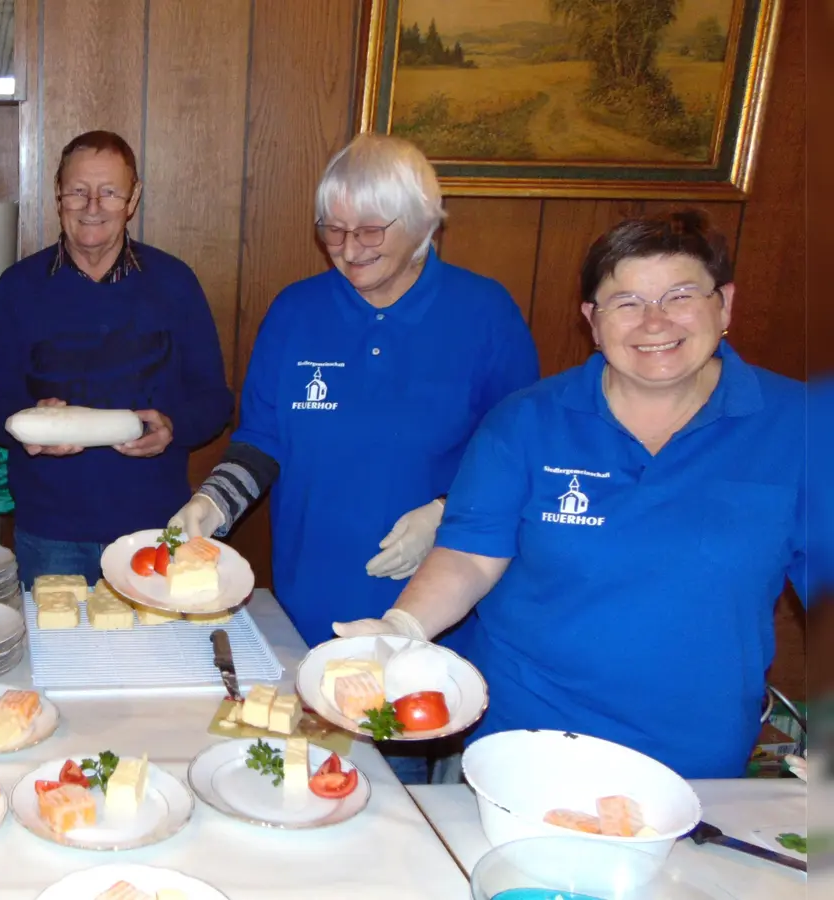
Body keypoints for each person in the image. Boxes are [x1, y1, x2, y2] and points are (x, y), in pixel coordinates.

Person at [334, 210, 808, 780]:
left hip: (696, 764)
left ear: (724, 304)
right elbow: (469, 556)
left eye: (680, 296)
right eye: (627, 302)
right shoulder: (526, 421)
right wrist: (402, 629)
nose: (655, 322)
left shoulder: (803, 428)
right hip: (523, 745)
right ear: (593, 319)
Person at [168, 133, 538, 783]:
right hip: (306, 607)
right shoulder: (296, 312)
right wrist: (213, 502)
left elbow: (519, 459)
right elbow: (264, 438)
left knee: (394, 810)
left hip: (426, 623)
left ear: (425, 223)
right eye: (332, 230)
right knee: (299, 786)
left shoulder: (485, 316)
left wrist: (446, 515)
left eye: (369, 231)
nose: (347, 249)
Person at [0, 130, 233, 582]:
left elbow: (215, 400)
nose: (93, 207)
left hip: (154, 527)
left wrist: (173, 428)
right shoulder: (19, 287)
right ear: (58, 196)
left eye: (109, 192)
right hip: (50, 532)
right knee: (57, 653)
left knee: (151, 654)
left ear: (133, 200)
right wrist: (26, 426)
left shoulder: (175, 284)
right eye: (78, 192)